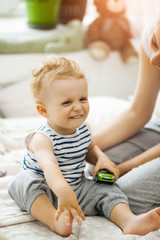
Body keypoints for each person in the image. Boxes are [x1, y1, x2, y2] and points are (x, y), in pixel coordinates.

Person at [8, 56, 160, 237]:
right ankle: (53, 219)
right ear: (44, 110)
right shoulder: (42, 138)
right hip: (46, 191)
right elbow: (49, 166)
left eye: (82, 99)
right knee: (22, 181)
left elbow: (90, 149)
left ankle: (128, 221)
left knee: (106, 188)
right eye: (67, 102)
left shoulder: (84, 129)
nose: (78, 107)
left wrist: (102, 159)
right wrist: (63, 191)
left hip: (76, 189)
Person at [92, 19, 160, 214]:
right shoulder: (151, 32)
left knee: (126, 193)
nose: (153, 60)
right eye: (155, 44)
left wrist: (122, 170)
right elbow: (138, 111)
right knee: (96, 165)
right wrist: (86, 145)